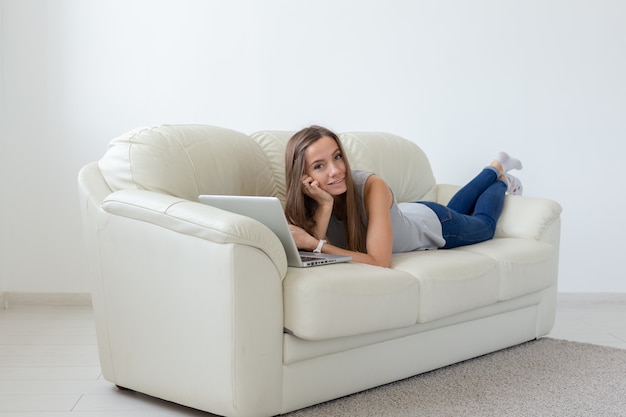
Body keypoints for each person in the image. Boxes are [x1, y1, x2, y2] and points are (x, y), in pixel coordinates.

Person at [284, 125, 524, 268]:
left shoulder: (371, 185)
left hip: (436, 226)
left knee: (484, 225)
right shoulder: (312, 201)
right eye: (319, 166)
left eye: (337, 157)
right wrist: (325, 205)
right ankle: (497, 165)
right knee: (458, 210)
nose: (336, 171)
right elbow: (309, 257)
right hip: (412, 213)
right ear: (302, 175)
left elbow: (379, 262)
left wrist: (316, 245)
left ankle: (500, 178)